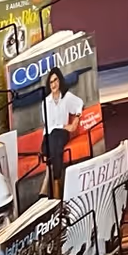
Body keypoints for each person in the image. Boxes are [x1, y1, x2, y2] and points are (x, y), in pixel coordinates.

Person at [40, 67, 83, 200]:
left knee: (56, 140)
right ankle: (57, 181)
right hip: (49, 136)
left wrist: (76, 118)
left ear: (60, 81)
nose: (53, 84)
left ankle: (50, 183)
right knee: (53, 141)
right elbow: (48, 125)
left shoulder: (67, 97)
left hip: (62, 135)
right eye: (51, 82)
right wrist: (64, 125)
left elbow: (79, 103)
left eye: (56, 80)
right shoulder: (45, 102)